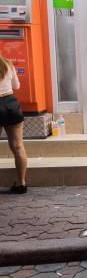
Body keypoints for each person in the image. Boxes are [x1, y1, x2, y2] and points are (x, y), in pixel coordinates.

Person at [0, 56, 27, 193]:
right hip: (11, 104)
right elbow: (17, 86)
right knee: (18, 146)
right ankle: (21, 184)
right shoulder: (7, 64)